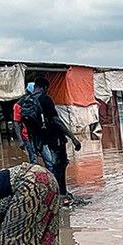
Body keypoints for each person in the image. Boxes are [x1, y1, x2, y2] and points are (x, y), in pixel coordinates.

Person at [25, 76, 81, 206]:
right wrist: (72, 137)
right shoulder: (45, 98)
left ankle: (56, 193)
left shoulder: (26, 100)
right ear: (44, 88)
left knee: (53, 166)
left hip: (41, 140)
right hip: (54, 138)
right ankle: (61, 195)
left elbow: (27, 125)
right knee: (59, 166)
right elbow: (56, 120)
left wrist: (35, 144)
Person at [13, 82, 37, 163]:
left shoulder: (37, 101)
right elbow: (17, 123)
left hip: (40, 135)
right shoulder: (19, 105)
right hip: (27, 136)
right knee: (34, 160)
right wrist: (20, 140)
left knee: (49, 160)